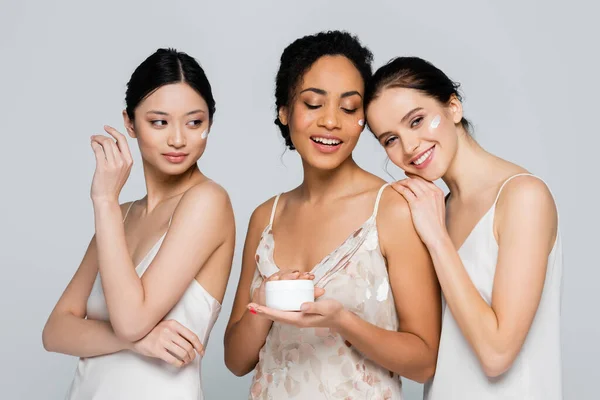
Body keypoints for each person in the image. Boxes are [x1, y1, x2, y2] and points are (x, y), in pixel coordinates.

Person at [224, 31, 441, 400]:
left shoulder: (391, 208)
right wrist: (263, 302)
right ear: (284, 111)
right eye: (313, 103)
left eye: (349, 107)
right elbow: (235, 360)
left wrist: (342, 321)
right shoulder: (266, 217)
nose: (330, 121)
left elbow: (424, 362)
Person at [42, 48, 235, 400]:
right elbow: (55, 331)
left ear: (210, 122)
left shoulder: (208, 202)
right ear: (130, 123)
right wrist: (136, 343)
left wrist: (103, 200)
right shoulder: (122, 215)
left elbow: (132, 320)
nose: (178, 139)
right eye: (159, 122)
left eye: (195, 122)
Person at [365, 56, 562, 399]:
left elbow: (497, 354)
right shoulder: (436, 211)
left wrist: (437, 238)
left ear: (453, 107)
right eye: (390, 139)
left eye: (417, 120)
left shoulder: (523, 197)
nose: (409, 147)